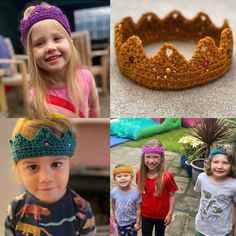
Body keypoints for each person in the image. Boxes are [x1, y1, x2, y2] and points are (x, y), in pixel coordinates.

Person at [4, 118, 96, 236]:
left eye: (56, 164)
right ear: (18, 169)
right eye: (32, 167)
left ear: (70, 163)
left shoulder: (82, 210)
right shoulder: (15, 208)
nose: (46, 178)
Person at [20, 3, 100, 118]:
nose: (50, 47)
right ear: (31, 54)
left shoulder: (86, 77)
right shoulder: (34, 96)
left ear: (71, 44)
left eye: (57, 39)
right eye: (39, 43)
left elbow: (94, 108)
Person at [136, 139, 178, 236]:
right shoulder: (139, 173)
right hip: (145, 215)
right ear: (143, 158)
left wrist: (170, 213)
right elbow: (140, 193)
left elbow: (172, 195)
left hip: (162, 216)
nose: (151, 161)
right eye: (148, 157)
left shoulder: (167, 176)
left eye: (155, 157)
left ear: (161, 158)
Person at [194, 143, 236, 236]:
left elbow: (234, 204)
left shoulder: (234, 185)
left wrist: (233, 223)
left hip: (221, 231)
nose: (220, 166)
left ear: (232, 165)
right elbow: (201, 195)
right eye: (216, 162)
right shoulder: (202, 178)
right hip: (201, 227)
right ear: (209, 162)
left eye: (225, 162)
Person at [111, 164, 141, 236]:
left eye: (126, 175)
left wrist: (138, 222)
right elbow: (113, 204)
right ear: (115, 179)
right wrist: (113, 215)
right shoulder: (114, 192)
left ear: (132, 177)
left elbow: (138, 209)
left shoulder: (136, 192)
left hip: (132, 223)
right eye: (119, 176)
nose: (123, 178)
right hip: (120, 223)